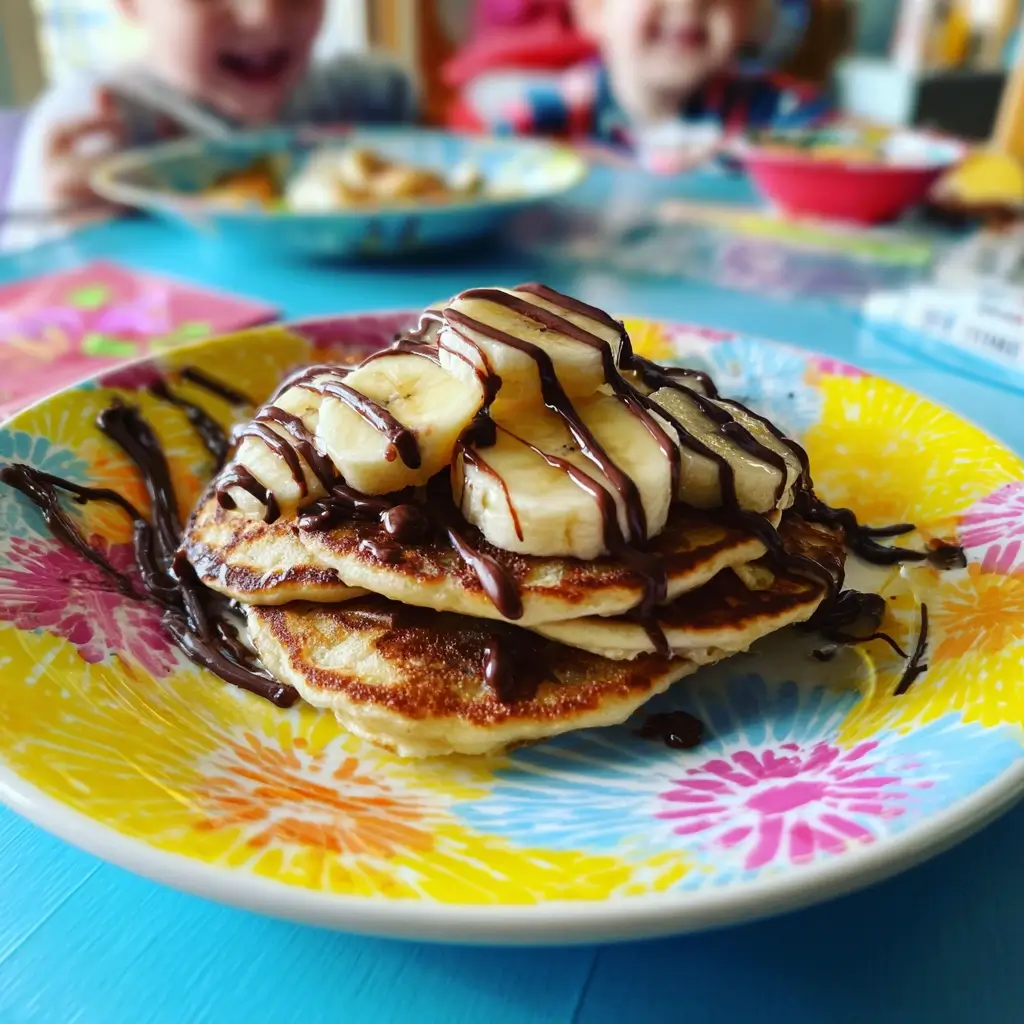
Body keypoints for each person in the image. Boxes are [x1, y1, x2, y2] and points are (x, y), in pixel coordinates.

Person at [3, 0, 416, 250]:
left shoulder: (368, 95)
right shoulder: (96, 122)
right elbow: (24, 285)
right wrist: (59, 223)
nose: (264, 15)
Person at [464, 0, 831, 171]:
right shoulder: (565, 107)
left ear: (748, 15)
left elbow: (840, 149)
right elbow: (492, 158)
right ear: (594, 11)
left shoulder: (777, 111)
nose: (690, 4)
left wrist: (733, 154)